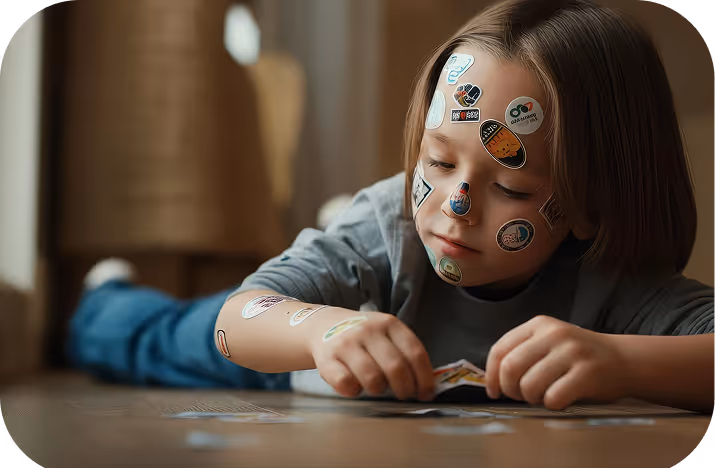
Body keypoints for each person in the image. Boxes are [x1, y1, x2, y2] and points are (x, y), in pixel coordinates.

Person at [68, 0, 715, 412]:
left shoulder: (611, 283)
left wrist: (622, 358)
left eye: (512, 189)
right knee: (154, 338)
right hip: (296, 363)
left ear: (591, 209)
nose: (455, 204)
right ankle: (105, 295)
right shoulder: (395, 224)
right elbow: (239, 318)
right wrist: (327, 331)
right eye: (436, 162)